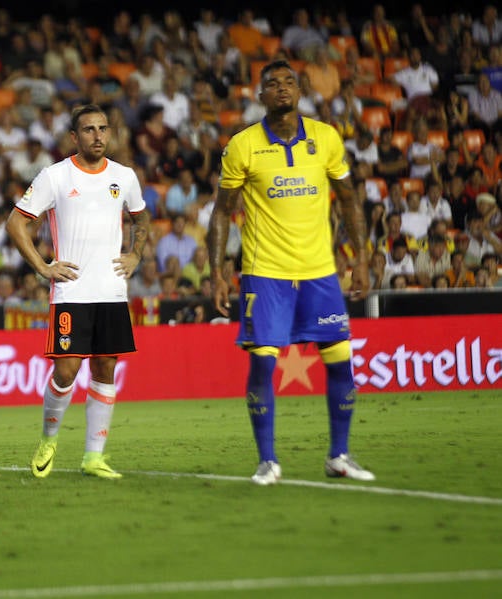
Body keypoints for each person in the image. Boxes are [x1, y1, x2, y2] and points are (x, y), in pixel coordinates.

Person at [208, 60, 375, 486]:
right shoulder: (242, 146)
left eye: (289, 82)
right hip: (266, 274)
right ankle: (268, 460)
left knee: (340, 363)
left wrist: (359, 260)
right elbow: (222, 213)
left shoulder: (326, 138)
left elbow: (350, 200)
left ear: (299, 90)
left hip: (320, 273)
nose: (282, 89)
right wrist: (216, 270)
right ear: (260, 95)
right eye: (272, 84)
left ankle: (339, 455)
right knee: (263, 366)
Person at [6, 104, 150, 480]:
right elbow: (16, 223)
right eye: (89, 129)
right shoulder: (55, 176)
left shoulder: (124, 176)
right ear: (74, 136)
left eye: (103, 128)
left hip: (112, 290)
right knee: (67, 370)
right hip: (71, 291)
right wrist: (42, 267)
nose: (98, 135)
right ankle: (49, 439)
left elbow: (141, 216)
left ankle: (94, 456)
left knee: (105, 367)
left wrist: (135, 253)